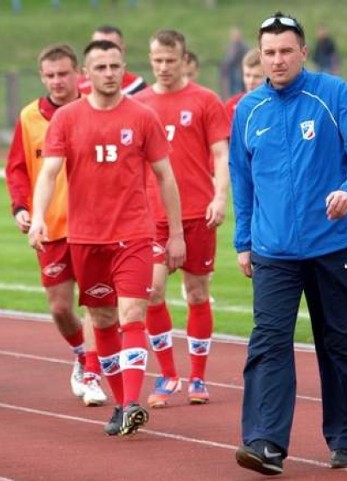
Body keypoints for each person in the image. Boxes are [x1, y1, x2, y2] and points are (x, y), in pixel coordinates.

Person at [229, 13, 347, 474]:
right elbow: (242, 178)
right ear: (260, 56)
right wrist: (244, 240)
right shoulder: (248, 110)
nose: (277, 60)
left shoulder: (333, 95)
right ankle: (265, 443)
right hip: (273, 251)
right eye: (269, 53)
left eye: (285, 51)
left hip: (333, 245)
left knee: (342, 343)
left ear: (303, 53)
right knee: (269, 343)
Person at [28, 39, 186, 437]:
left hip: (133, 233)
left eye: (115, 66)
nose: (109, 74)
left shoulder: (142, 116)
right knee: (102, 319)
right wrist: (38, 219)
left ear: (124, 67)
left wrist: (177, 234)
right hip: (85, 238)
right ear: (86, 73)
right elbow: (48, 173)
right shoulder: (67, 119)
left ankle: (132, 402)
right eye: (100, 68)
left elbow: (166, 176)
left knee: (134, 313)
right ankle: (121, 404)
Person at [5, 43, 107, 408]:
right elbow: (17, 167)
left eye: (64, 73)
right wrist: (21, 207)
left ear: (77, 72)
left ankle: (94, 372)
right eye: (50, 75)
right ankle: (82, 355)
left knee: (95, 305)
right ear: (41, 77)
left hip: (95, 226)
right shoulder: (30, 117)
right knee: (61, 308)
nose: (57, 81)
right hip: (51, 228)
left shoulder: (95, 108)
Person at [135, 29, 230, 408]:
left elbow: (221, 154)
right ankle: (169, 375)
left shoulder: (205, 100)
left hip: (198, 214)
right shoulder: (139, 105)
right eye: (156, 60)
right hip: (153, 218)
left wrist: (220, 196)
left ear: (183, 59)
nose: (162, 67)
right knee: (152, 292)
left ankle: (198, 378)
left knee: (197, 292)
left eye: (169, 60)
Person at [77, 25, 146, 96]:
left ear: (123, 48)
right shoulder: (77, 87)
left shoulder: (138, 86)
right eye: (99, 46)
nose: (106, 51)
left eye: (112, 46)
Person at [224, 48, 265, 121]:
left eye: (257, 76)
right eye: (247, 75)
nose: (251, 81)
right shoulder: (232, 105)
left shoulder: (277, 104)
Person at [220, 26, 250, 99]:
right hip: (230, 73)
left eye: (236, 35)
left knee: (239, 88)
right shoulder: (230, 47)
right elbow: (226, 60)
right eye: (233, 35)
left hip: (239, 71)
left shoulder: (244, 47)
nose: (235, 37)